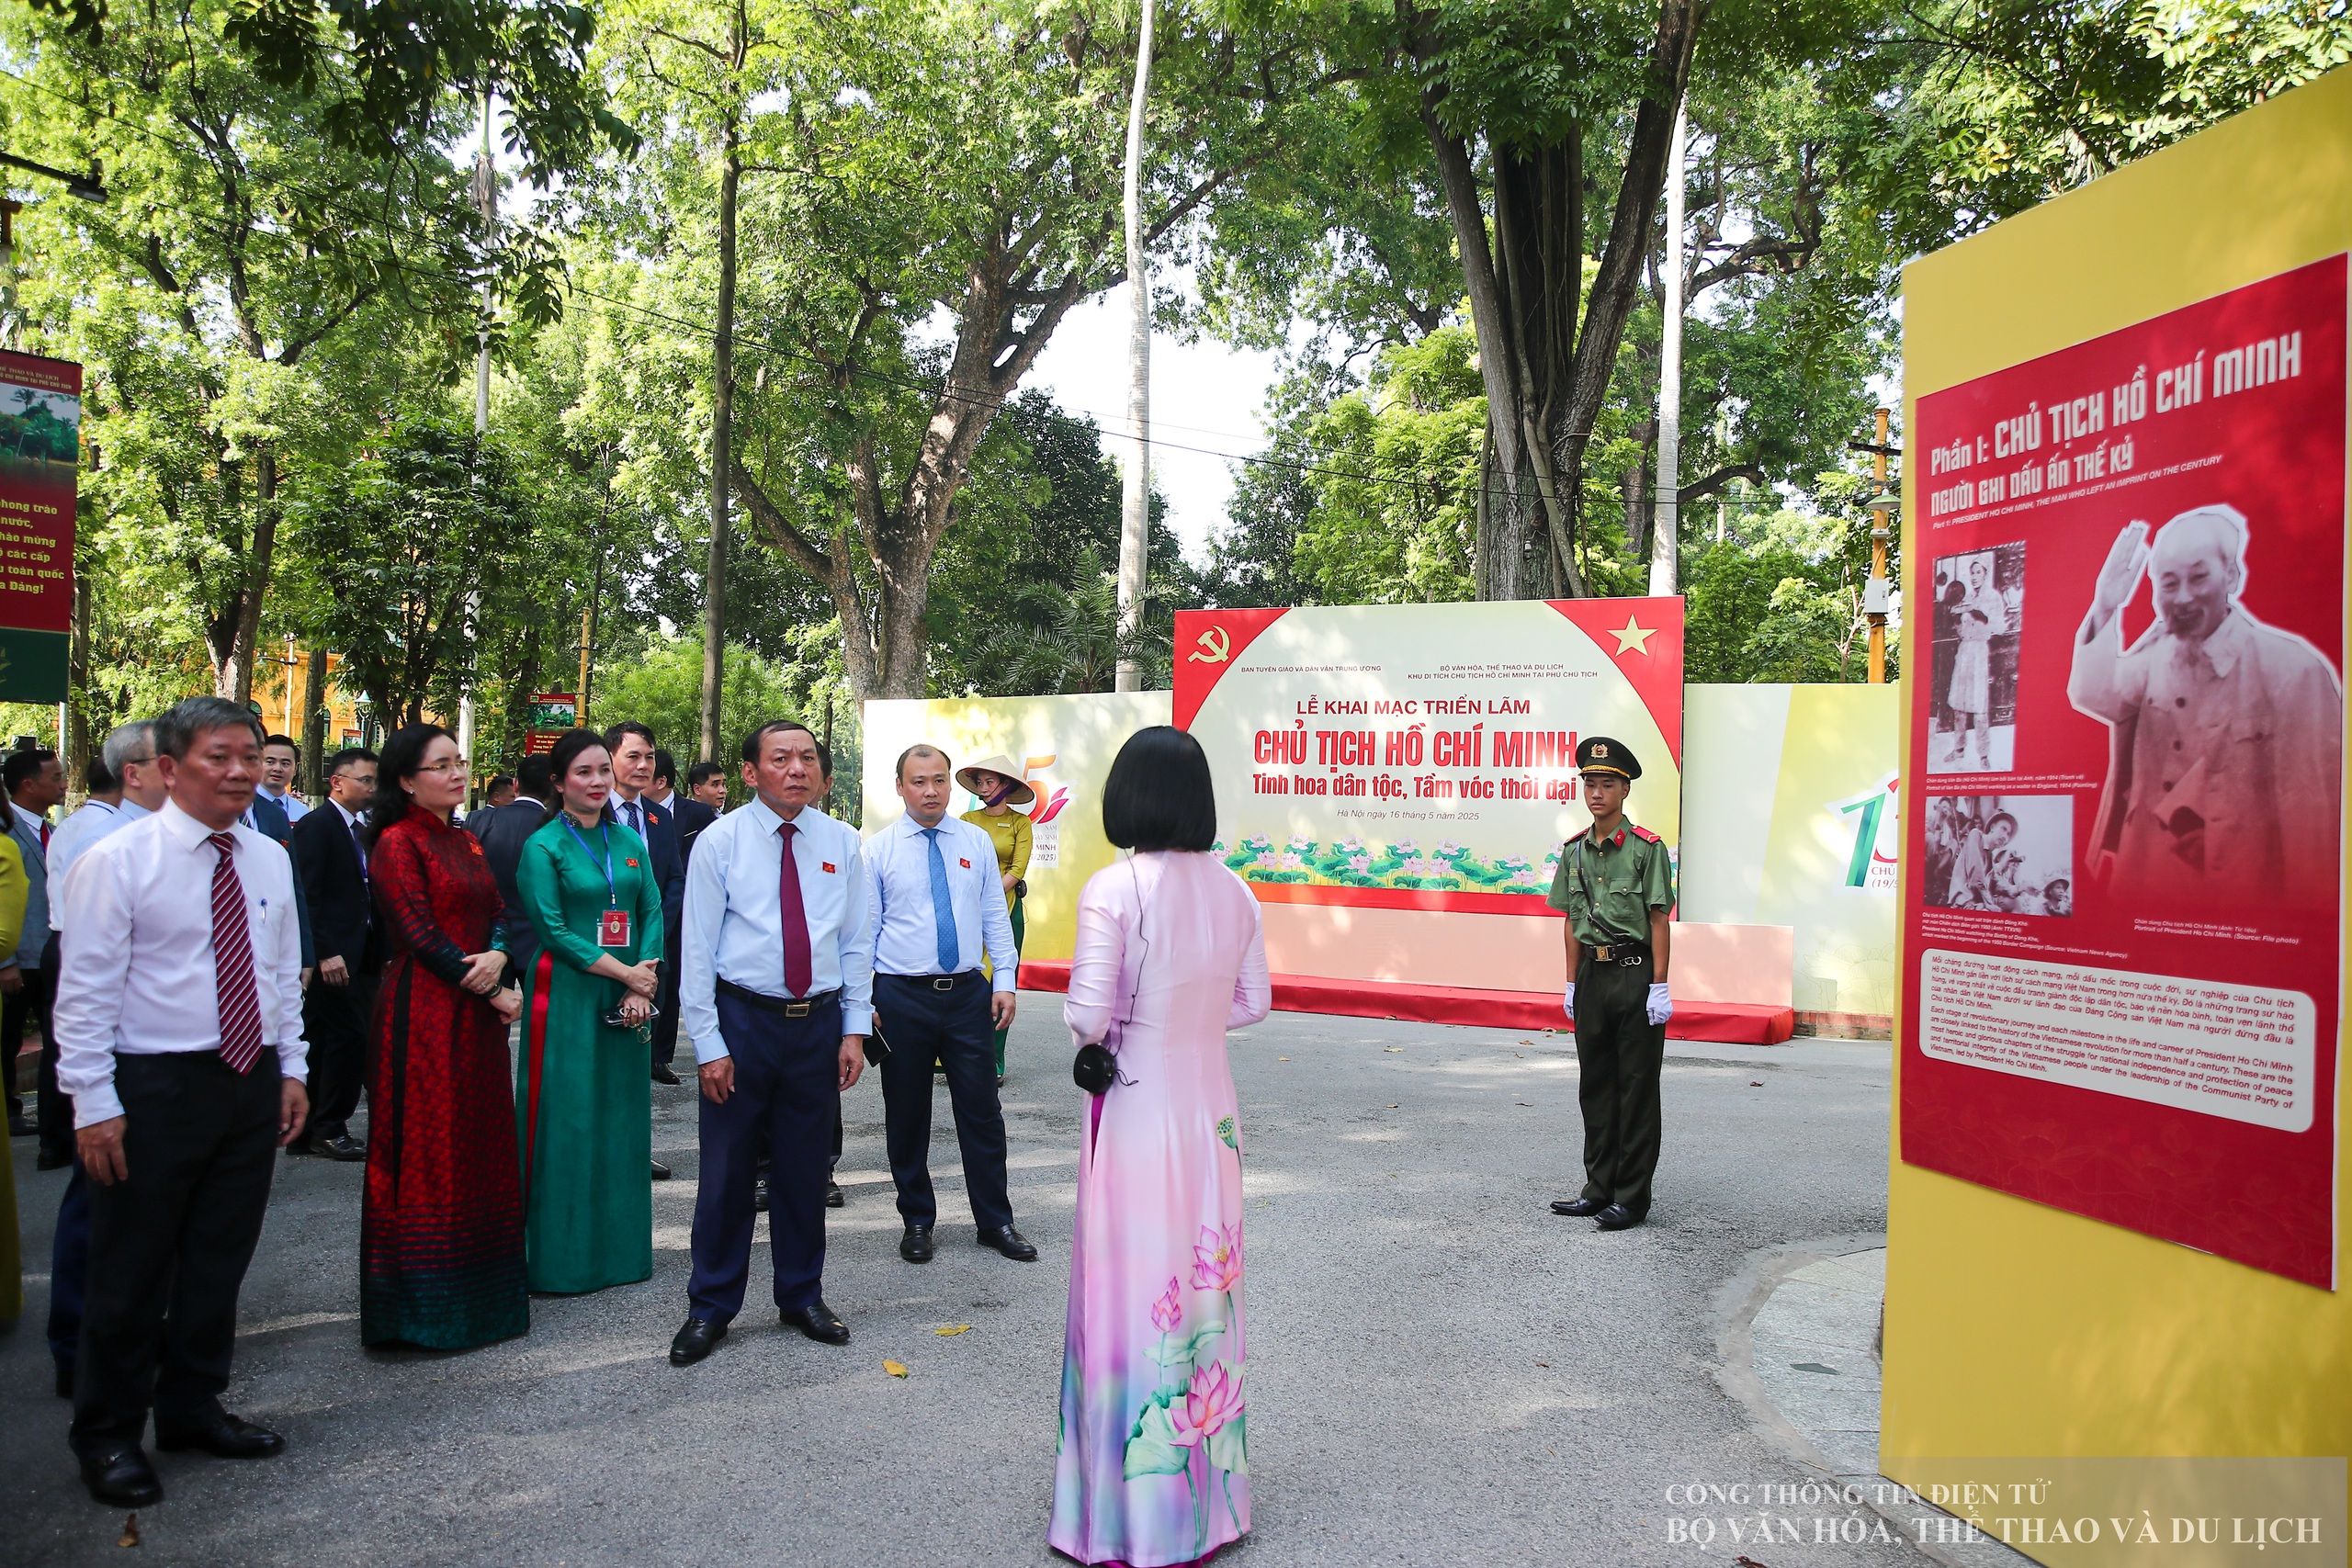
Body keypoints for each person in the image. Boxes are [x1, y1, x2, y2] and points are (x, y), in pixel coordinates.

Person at [52, 696, 311, 1507]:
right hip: (152, 1084)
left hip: (246, 1077)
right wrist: (92, 1102)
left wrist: (292, 1068)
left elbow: (279, 975)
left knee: (217, 1257)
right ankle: (108, 1434)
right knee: (130, 1267)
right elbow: (84, 995)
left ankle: (193, 1406)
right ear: (168, 768)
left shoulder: (268, 856)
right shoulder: (118, 861)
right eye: (218, 757)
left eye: (250, 755)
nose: (239, 771)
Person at [1051, 725, 1270, 1568]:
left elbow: (1084, 1014)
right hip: (1210, 1111)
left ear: (1126, 796)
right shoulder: (1237, 890)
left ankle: (1123, 1519)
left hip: (1138, 1109)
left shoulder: (1115, 888)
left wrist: (1138, 1027)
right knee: (1205, 1290)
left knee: (1134, 1289)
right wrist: (1193, 1024)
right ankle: (1209, 1509)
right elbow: (1255, 1002)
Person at [670, 720, 871, 1366]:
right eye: (779, 758)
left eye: (807, 757)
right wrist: (708, 1041)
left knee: (805, 1168)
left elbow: (857, 942)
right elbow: (696, 948)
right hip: (742, 1020)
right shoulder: (719, 842)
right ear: (751, 772)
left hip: (817, 1023)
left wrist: (854, 1029)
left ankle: (801, 1293)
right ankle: (711, 1305)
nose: (796, 769)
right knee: (727, 1170)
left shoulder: (843, 842)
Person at [2069, 505, 2343, 908]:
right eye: (2168, 583)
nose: (2182, 597)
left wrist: (2305, 931)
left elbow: (2312, 826)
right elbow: (2093, 694)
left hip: (2235, 900)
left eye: (2198, 578)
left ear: (2231, 576)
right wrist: (2106, 606)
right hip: (2142, 885)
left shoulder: (2292, 670)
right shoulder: (2154, 655)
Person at [360, 726, 528, 1349]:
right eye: (441, 765)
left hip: (476, 1014)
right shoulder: (396, 843)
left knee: (480, 1144)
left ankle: (486, 1302)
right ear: (406, 779)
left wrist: (502, 955)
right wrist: (493, 985)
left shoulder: (466, 838)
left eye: (460, 763)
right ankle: (424, 1313)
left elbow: (502, 914)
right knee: (428, 1151)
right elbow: (419, 933)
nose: (457, 773)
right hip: (423, 1013)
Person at [867, 745, 1029, 1266]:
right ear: (900, 787)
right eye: (918, 781)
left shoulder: (975, 841)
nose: (931, 790)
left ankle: (995, 1220)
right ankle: (917, 1218)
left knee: (982, 1110)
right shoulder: (878, 851)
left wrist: (1003, 978)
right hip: (900, 996)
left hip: (965, 994)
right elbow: (863, 934)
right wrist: (859, 1003)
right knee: (907, 1113)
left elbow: (992, 915)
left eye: (939, 779)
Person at [515, 729, 663, 1296]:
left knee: (621, 1119)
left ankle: (621, 1254)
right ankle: (561, 1259)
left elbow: (648, 907)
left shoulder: (627, 839)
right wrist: (626, 975)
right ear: (558, 782)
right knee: (568, 1120)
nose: (599, 781)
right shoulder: (544, 846)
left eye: (605, 770)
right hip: (570, 994)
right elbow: (551, 930)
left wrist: (641, 983)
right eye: (584, 772)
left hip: (630, 994)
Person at [44, 721, 165, 1399]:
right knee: (99, 1192)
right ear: (135, 772)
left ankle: (138, 1333)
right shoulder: (104, 841)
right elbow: (85, 983)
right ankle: (76, 1344)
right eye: (165, 760)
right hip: (109, 1018)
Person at [1545, 736, 1676, 1232]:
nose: (1597, 792)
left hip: (1635, 973)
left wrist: (1659, 985)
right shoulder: (1575, 851)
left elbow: (1659, 919)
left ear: (1624, 790)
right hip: (1592, 977)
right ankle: (1597, 1189)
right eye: (1590, 784)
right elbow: (1570, 919)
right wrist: (1570, 983)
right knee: (1596, 1086)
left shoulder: (1647, 849)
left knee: (1636, 1089)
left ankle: (1632, 1197)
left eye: (1607, 784)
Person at [289, 749, 378, 1159]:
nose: (372, 788)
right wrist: (323, 951)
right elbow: (307, 895)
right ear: (337, 782)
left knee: (339, 1039)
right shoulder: (318, 826)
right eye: (365, 780)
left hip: (362, 954)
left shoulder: (364, 827)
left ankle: (313, 1127)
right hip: (333, 957)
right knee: (344, 1039)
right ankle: (328, 1126)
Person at [605, 722, 685, 1092]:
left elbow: (673, 880)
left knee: (641, 1046)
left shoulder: (659, 816)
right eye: (633, 756)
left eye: (649, 757)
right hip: (604, 947)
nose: (643, 765)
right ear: (610, 758)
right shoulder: (592, 811)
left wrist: (656, 933)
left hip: (654, 948)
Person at [956, 753, 1034, 1085]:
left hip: (1007, 909)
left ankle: (994, 1058)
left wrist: (988, 896)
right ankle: (957, 1055)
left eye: (989, 781)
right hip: (967, 911)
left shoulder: (1021, 823)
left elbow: (1017, 870)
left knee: (1002, 984)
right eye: (980, 782)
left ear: (1006, 786)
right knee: (965, 983)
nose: (983, 788)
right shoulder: (966, 819)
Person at [5, 746, 62, 1164]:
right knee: (7, 1038)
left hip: (46, 954)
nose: (62, 783)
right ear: (28, 784)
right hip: (16, 960)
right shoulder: (7, 831)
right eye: (55, 777)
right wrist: (5, 962)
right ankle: (9, 1110)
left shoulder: (50, 829)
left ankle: (45, 1121)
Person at [476, 756, 554, 970]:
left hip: (486, 941)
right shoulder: (558, 829)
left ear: (516, 784)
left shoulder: (478, 821)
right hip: (539, 943)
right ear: (553, 788)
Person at [256, 734, 310, 823]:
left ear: (295, 768)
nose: (277, 769)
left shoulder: (302, 812)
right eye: (270, 762)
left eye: (285, 764)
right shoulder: (243, 808)